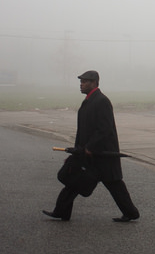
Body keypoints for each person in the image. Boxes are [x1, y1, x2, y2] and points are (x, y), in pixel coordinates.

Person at [43, 70, 140, 223]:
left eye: (84, 82)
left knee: (114, 184)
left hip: (102, 153)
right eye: (80, 82)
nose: (81, 85)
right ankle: (61, 212)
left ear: (94, 83)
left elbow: (104, 128)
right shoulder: (89, 101)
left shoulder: (101, 101)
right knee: (75, 181)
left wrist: (90, 147)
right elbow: (83, 131)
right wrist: (77, 151)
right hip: (88, 153)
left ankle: (131, 213)